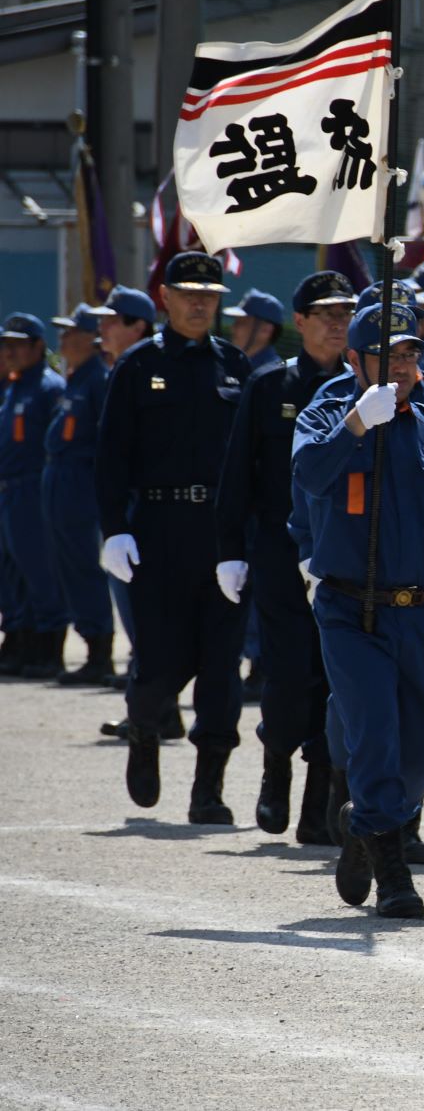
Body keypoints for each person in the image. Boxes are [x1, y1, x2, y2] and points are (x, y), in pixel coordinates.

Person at [292, 301, 424, 918]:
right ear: (354, 359)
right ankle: (393, 870)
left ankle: (368, 821)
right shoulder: (326, 416)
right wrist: (355, 425)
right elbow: (309, 475)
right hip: (354, 610)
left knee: (418, 754)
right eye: (386, 354)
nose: (401, 366)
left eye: (409, 354)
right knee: (375, 732)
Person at [95, 252, 253, 822]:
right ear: (165, 297)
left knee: (220, 664)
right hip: (157, 534)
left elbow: (251, 463)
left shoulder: (236, 366)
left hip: (219, 537)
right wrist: (114, 531)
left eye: (208, 296)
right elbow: (111, 456)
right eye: (188, 293)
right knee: (160, 660)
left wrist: (246, 538)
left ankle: (208, 788)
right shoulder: (137, 366)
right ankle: (144, 726)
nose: (198, 304)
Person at [214, 271, 356, 845]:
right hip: (279, 549)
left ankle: (319, 804)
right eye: (324, 313)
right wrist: (229, 552)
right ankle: (276, 769)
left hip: (341, 553)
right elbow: (236, 477)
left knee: (334, 677)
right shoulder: (269, 387)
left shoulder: (363, 390)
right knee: (289, 672)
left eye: (345, 313)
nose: (336, 322)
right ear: (299, 323)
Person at [89, 286, 163, 709]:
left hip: (148, 506)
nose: (102, 328)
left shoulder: (141, 370)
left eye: (111, 320)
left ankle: (156, 708)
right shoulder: (115, 369)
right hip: (124, 505)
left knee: (144, 611)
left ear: (137, 326)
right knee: (131, 611)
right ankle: (150, 705)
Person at [44, 304, 115, 685]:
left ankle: (100, 649)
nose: (64, 339)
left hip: (81, 482)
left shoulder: (97, 379)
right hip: (61, 477)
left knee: (84, 565)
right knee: (67, 565)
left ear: (93, 338)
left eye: (73, 332)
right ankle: (91, 641)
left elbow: (105, 439)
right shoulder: (76, 377)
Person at [0, 313, 69, 679]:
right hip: (11, 488)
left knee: (40, 571)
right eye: (6, 344)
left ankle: (49, 649)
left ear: (38, 347)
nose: (9, 351)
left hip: (33, 487)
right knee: (13, 573)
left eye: (17, 344)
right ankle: (22, 641)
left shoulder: (47, 387)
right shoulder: (16, 386)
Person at [223, 288, 287, 372]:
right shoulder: (232, 365)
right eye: (236, 321)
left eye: (242, 322)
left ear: (266, 330)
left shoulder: (274, 376)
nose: (233, 328)